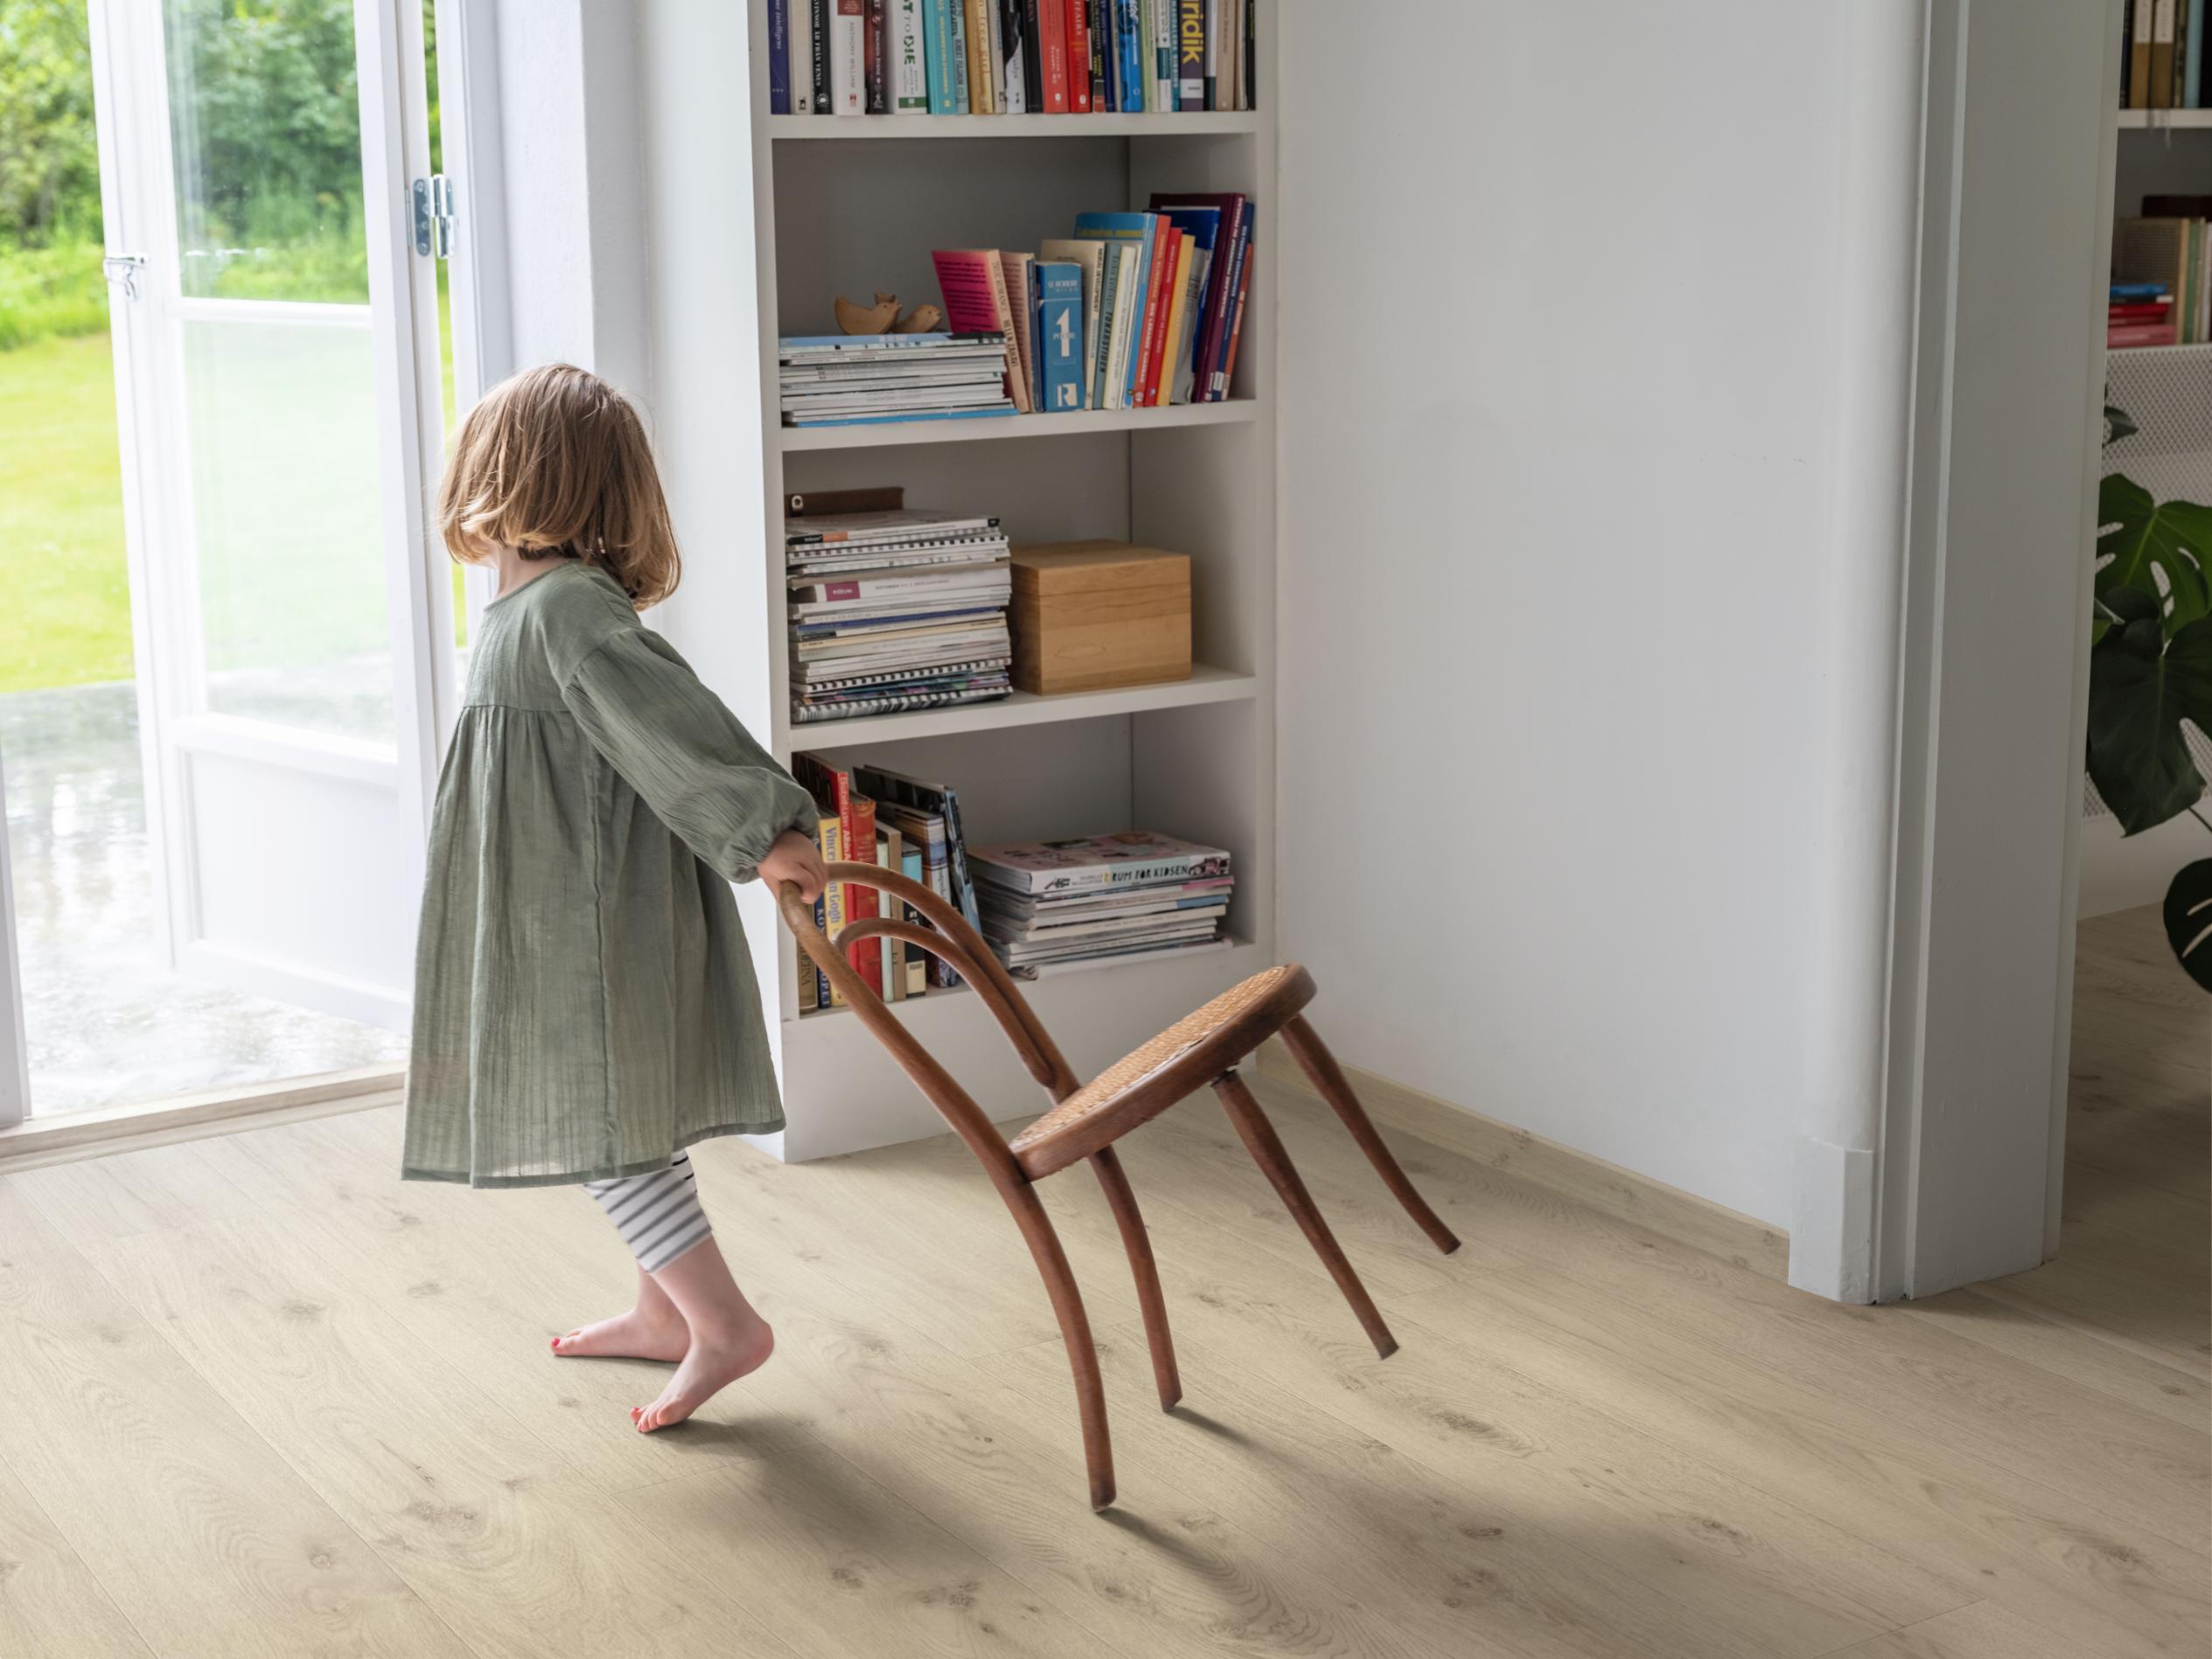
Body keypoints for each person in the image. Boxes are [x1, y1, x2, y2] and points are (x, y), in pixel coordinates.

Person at [401, 362, 827, 1432]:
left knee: (595, 1116)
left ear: (500, 474)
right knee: (618, 1106)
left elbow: (668, 723)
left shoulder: (567, 611)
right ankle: (663, 1311)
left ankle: (723, 1324)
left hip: (586, 915)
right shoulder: (529, 608)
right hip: (557, 899)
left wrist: (763, 830)